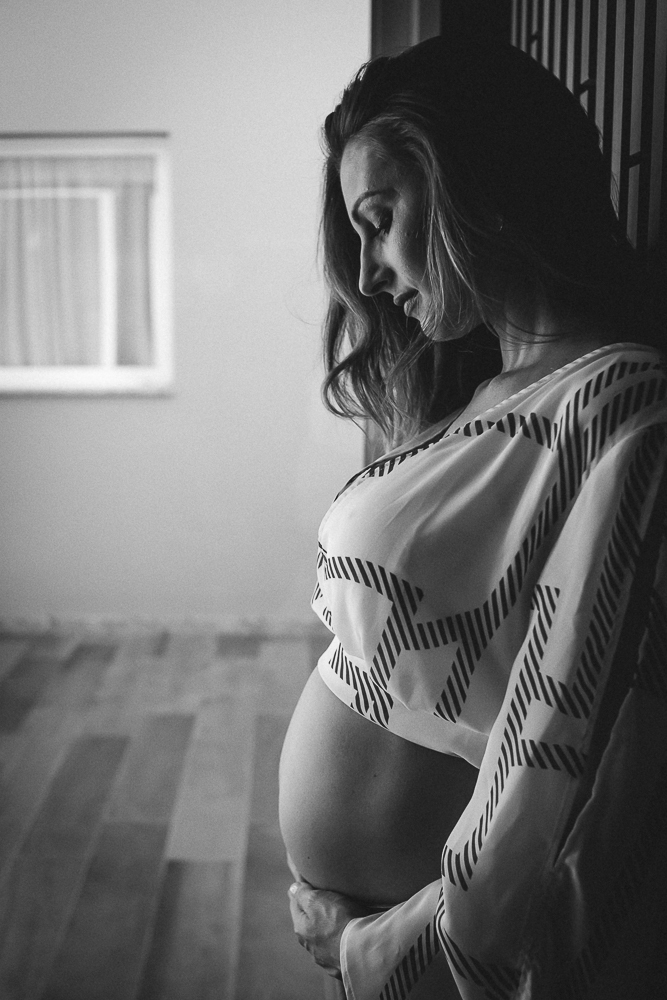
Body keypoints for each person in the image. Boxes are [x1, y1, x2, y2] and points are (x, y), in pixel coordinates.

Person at [278, 33, 667, 1000]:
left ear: (474, 184)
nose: (369, 275)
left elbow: (563, 774)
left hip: (425, 958)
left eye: (378, 222)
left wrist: (371, 946)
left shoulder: (620, 408)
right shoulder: (494, 391)